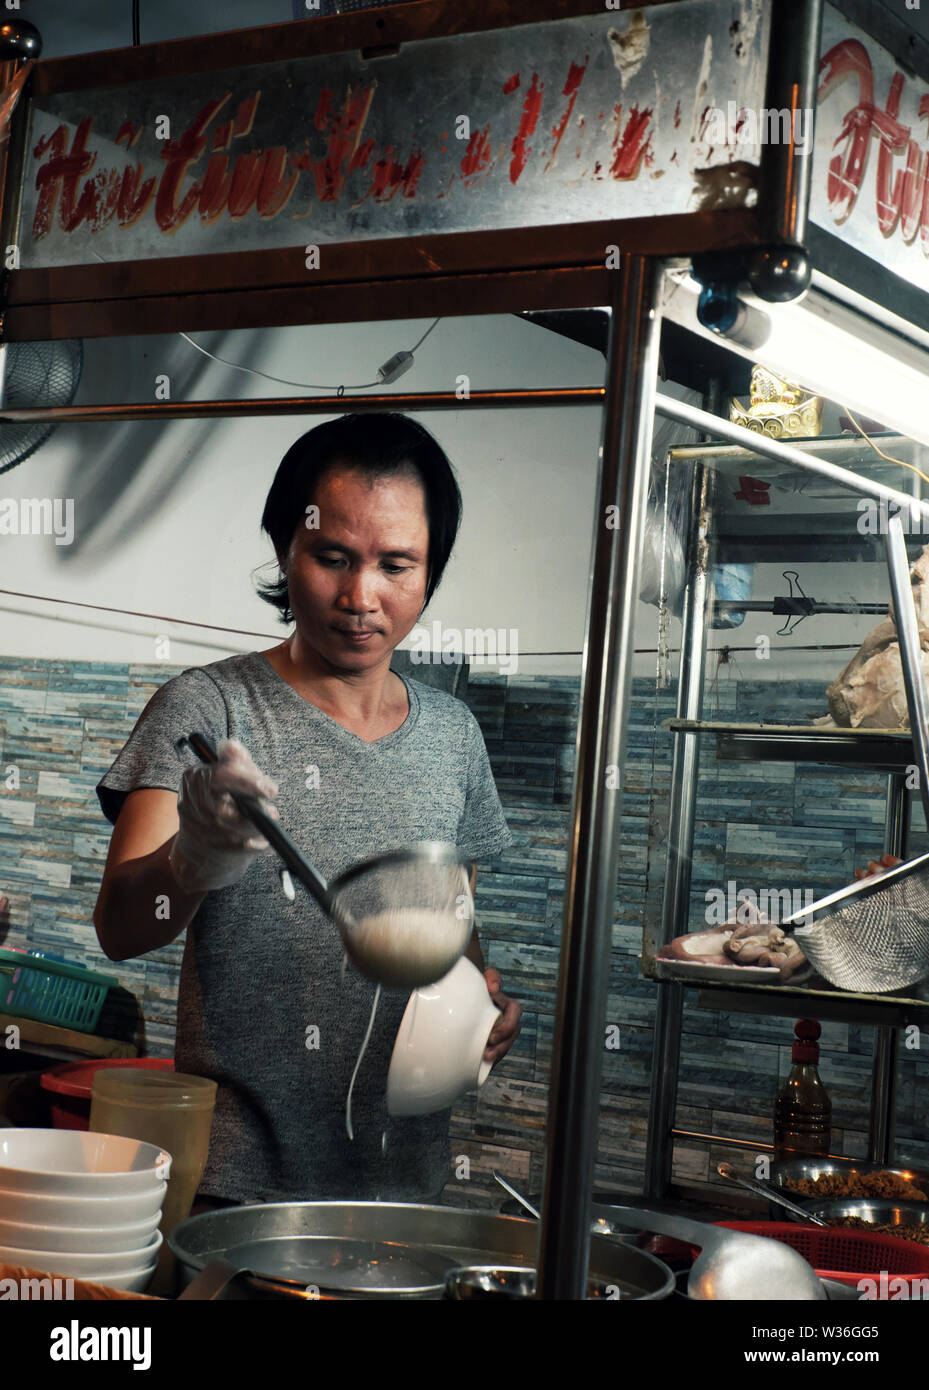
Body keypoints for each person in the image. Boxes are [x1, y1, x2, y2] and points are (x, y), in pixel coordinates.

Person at [92, 412, 521, 1210]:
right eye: (332, 557)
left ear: (430, 572)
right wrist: (194, 858)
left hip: (403, 1195)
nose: (361, 597)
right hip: (237, 1188)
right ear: (285, 548)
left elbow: (452, 922)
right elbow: (121, 928)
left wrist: (480, 997)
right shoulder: (207, 706)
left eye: (396, 564)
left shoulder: (453, 735)